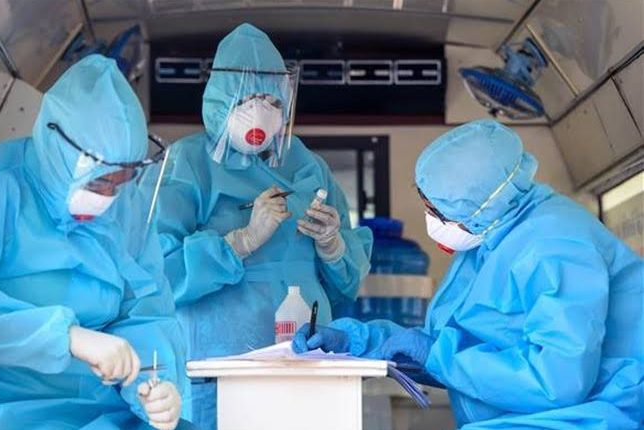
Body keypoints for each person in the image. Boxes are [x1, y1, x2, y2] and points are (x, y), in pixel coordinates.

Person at [293, 119, 643, 429]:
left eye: (437, 211)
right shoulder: (490, 238)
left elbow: (557, 382)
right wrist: (356, 343)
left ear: (479, 205)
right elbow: (450, 348)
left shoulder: (555, 246)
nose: (431, 220)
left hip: (589, 418)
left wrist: (435, 354)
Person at [144, 23, 372, 430]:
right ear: (220, 99)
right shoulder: (187, 164)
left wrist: (333, 247)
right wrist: (240, 242)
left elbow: (347, 285)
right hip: (216, 362)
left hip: (305, 361)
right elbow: (158, 272)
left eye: (271, 100)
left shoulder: (308, 165)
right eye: (247, 98)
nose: (260, 112)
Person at [0, 55, 193, 430]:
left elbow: (145, 308)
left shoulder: (126, 209)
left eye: (120, 181)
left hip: (101, 410)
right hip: (3, 404)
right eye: (98, 180)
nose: (107, 197)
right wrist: (65, 337)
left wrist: (155, 386)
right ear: (58, 145)